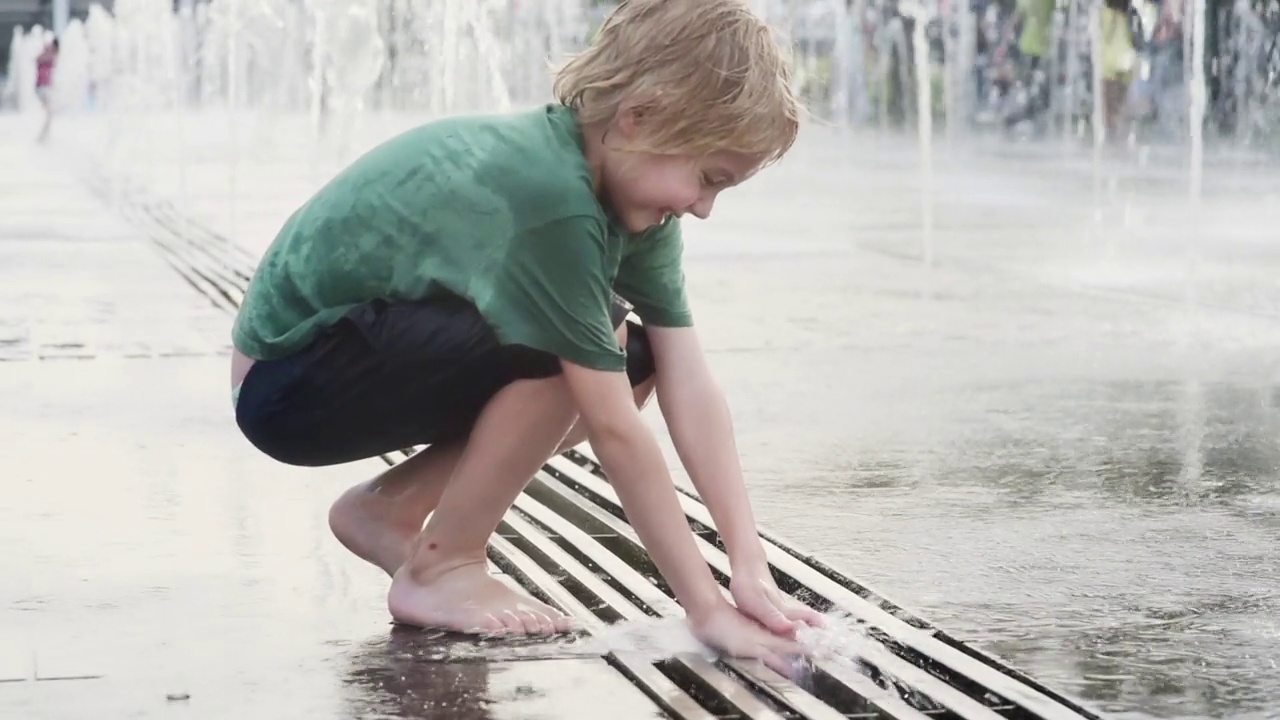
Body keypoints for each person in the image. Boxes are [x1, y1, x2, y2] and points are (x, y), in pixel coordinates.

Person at [229, 0, 822, 672]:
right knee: (575, 350)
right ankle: (441, 564)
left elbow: (687, 377)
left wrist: (748, 568)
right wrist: (705, 608)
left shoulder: (635, 203)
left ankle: (388, 514)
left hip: (343, 360)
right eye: (708, 178)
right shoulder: (552, 195)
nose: (704, 208)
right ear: (640, 117)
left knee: (635, 358)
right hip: (288, 379)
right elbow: (614, 429)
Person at [35, 38, 58, 143]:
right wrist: (48, 52)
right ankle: (42, 137)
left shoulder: (52, 55)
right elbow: (37, 59)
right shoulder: (47, 54)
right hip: (41, 88)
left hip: (45, 88)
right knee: (49, 113)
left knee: (50, 113)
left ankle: (44, 136)